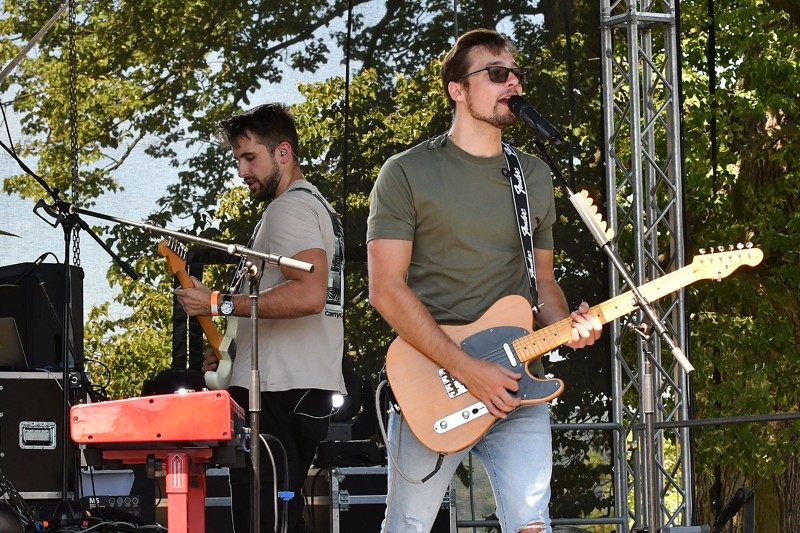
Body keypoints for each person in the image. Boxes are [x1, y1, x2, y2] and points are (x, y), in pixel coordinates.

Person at [366, 29, 603, 533]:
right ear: (457, 89)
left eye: (516, 73)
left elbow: (543, 283)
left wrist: (568, 325)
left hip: (519, 381)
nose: (512, 82)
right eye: (496, 73)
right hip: (434, 376)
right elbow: (385, 289)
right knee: (408, 525)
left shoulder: (533, 175)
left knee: (531, 525)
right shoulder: (406, 172)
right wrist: (468, 369)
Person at [174, 103, 346, 533]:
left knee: (263, 518)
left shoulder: (288, 209)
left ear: (283, 152)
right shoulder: (312, 205)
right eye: (238, 159)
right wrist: (229, 353)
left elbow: (309, 293)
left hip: (278, 391)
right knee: (280, 516)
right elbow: (277, 301)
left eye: (250, 157)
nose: (241, 170)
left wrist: (218, 302)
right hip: (296, 385)